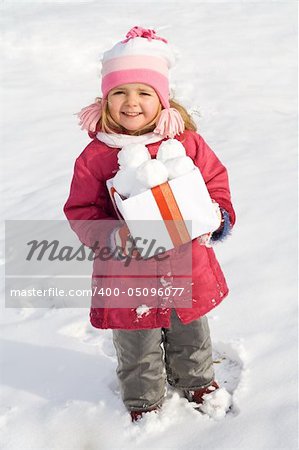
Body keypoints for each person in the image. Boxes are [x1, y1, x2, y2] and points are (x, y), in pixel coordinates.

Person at [64, 26, 236, 421]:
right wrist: (116, 236)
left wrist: (217, 215)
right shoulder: (95, 157)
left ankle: (196, 381)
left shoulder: (188, 145)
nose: (131, 102)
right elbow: (81, 211)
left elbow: (216, 185)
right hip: (127, 275)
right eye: (120, 93)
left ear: (162, 99)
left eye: (144, 93)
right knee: (136, 342)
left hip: (186, 266)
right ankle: (144, 399)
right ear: (105, 100)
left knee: (190, 333)